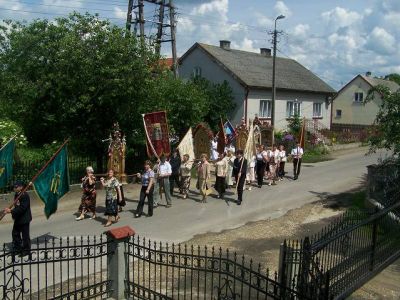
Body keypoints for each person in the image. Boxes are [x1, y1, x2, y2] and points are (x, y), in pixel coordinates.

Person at [3, 181, 32, 256]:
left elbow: (22, 208)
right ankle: (17, 248)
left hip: (24, 218)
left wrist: (11, 211)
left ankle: (26, 250)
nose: (14, 188)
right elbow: (17, 206)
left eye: (16, 187)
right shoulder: (17, 195)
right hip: (18, 218)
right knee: (15, 233)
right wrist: (11, 212)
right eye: (14, 187)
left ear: (21, 187)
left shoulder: (25, 195)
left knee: (25, 235)